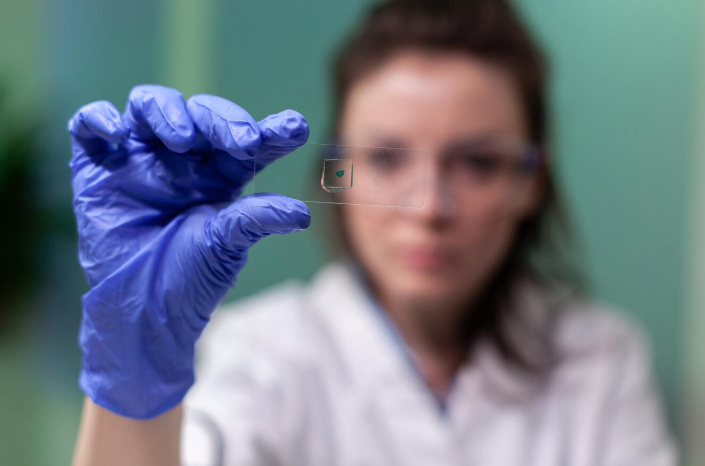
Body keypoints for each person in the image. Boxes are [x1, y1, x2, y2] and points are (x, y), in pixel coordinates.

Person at [68, 1, 677, 465]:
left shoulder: (600, 359)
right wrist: (135, 379)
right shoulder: (262, 353)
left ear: (531, 184)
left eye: (480, 162)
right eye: (387, 160)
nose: (429, 206)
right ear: (337, 175)